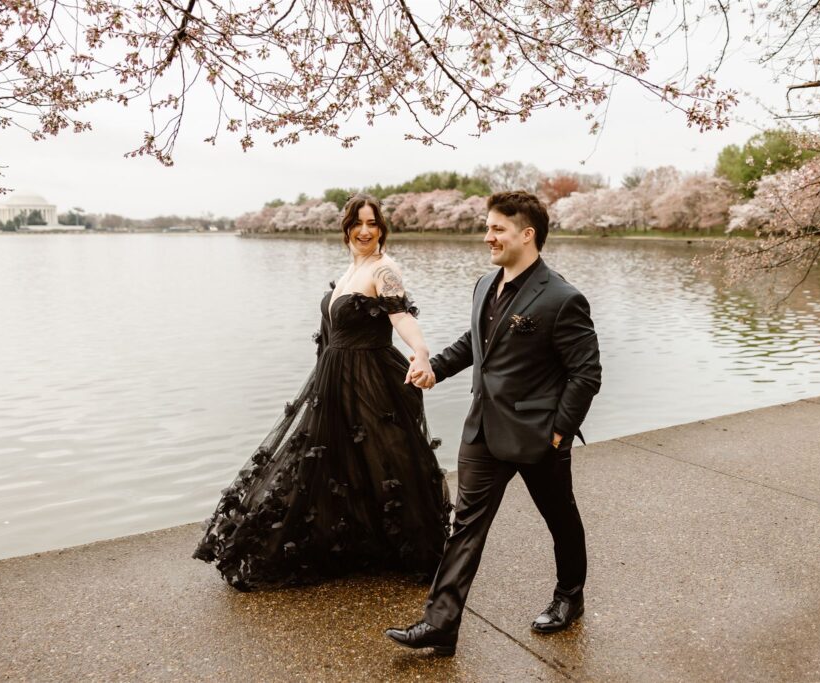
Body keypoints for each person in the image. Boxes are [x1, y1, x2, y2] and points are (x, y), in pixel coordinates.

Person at [194, 194, 451, 590]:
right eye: (357, 223)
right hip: (334, 378)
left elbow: (401, 317)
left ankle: (413, 547)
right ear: (346, 228)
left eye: (372, 223)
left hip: (370, 378)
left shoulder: (384, 269)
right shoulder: (351, 271)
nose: (365, 231)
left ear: (382, 228)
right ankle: (354, 543)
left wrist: (421, 352)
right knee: (340, 461)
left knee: (386, 458)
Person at [385, 190, 601, 656]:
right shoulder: (485, 284)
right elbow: (475, 343)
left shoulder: (563, 298)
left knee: (560, 518)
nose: (488, 237)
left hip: (538, 436)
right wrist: (435, 368)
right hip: (482, 428)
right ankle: (440, 623)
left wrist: (560, 431)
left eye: (497, 229)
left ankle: (570, 598)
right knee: (465, 526)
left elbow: (586, 372)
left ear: (528, 234)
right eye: (488, 228)